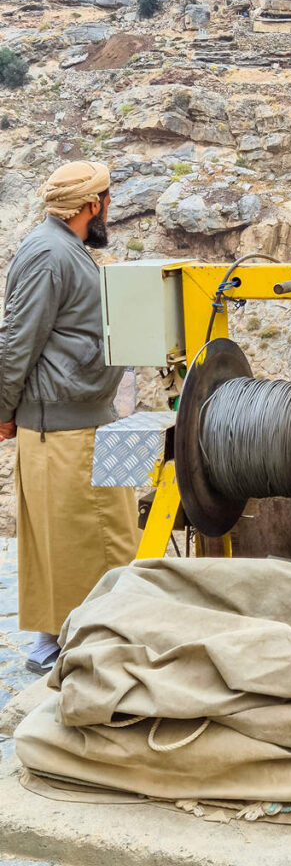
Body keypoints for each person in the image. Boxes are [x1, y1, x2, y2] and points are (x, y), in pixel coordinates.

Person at [0, 161, 139, 674]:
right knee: (92, 540)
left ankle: (67, 643)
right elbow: (18, 341)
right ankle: (78, 649)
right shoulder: (49, 253)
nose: (109, 208)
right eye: (107, 199)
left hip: (85, 419)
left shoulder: (64, 248)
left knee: (81, 538)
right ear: (92, 205)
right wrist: (4, 412)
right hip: (65, 429)